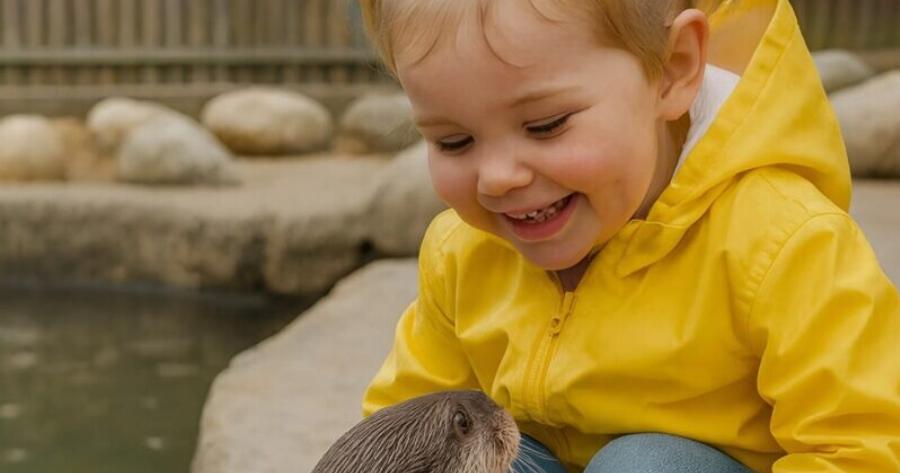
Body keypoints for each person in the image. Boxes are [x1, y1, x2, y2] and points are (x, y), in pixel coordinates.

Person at [356, 0, 900, 471]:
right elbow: (404, 424)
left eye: (546, 125)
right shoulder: (463, 250)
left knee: (644, 465)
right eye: (453, 142)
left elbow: (860, 448)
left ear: (672, 70)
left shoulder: (785, 245)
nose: (498, 178)